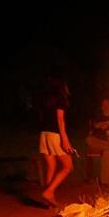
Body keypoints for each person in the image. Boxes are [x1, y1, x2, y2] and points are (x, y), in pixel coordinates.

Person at [39, 77, 74, 207]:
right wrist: (65, 140)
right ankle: (49, 192)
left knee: (51, 166)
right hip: (55, 135)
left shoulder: (46, 99)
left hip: (44, 134)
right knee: (68, 166)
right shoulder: (61, 99)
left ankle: (48, 199)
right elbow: (60, 120)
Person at [86, 98, 109, 188]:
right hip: (99, 143)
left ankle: (105, 182)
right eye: (103, 105)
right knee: (89, 139)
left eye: (107, 105)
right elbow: (94, 127)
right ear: (102, 107)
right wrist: (99, 125)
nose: (105, 107)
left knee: (107, 153)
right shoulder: (98, 117)